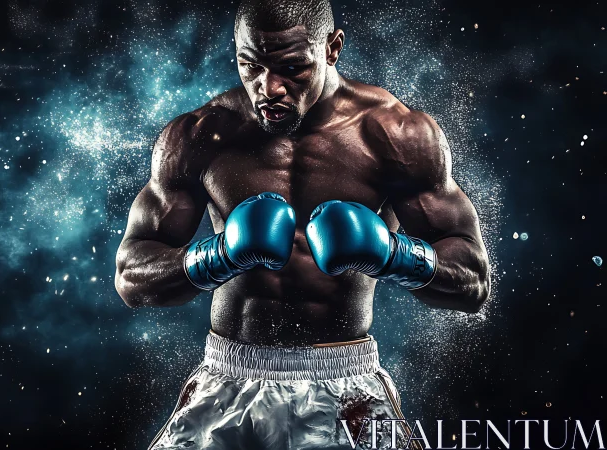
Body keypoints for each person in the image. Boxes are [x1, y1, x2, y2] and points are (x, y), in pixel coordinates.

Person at [114, 0, 491, 447]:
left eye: (292, 67)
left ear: (332, 49)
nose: (267, 87)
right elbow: (131, 277)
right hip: (228, 380)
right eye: (249, 65)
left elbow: (472, 281)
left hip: (346, 384)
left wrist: (392, 255)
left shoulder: (395, 134)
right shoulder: (199, 136)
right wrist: (217, 256)